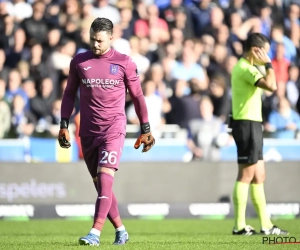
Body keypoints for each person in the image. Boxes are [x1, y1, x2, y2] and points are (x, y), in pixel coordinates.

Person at [58, 17, 155, 246]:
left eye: (100, 41)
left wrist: (146, 128)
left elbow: (138, 96)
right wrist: (63, 124)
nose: (95, 45)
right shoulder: (79, 61)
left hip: (113, 130)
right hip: (88, 132)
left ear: (111, 38)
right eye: (92, 39)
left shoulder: (124, 62)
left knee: (105, 178)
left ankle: (95, 233)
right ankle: (121, 229)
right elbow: (69, 94)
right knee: (102, 187)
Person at [230, 33, 288, 236]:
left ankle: (266, 225)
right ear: (257, 50)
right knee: (246, 174)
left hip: (253, 123)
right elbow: (272, 86)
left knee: (259, 175)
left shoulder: (249, 68)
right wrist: (269, 64)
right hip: (245, 124)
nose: (267, 54)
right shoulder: (245, 68)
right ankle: (239, 225)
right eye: (266, 50)